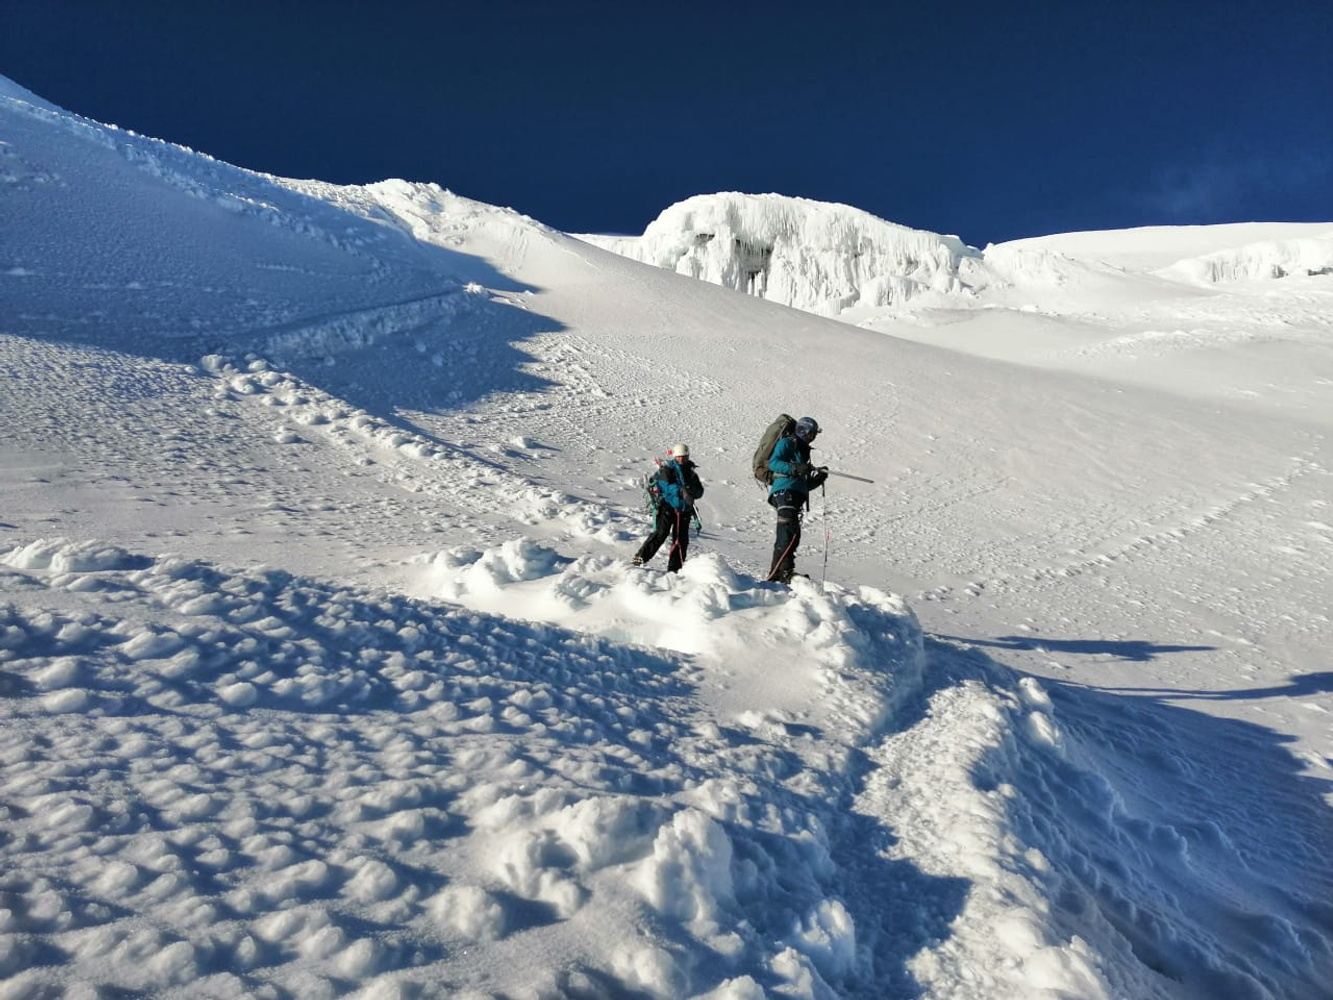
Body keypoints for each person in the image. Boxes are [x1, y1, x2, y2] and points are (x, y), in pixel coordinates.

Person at [766, 416, 828, 583]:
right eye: (812, 433)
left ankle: (781, 572)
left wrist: (817, 479)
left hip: (793, 494)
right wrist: (796, 468)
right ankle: (781, 573)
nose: (813, 437)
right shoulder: (787, 443)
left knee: (792, 533)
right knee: (787, 533)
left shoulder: (802, 450)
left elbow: (802, 484)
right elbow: (773, 463)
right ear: (804, 431)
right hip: (784, 492)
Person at [632, 443, 704, 572]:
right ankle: (640, 557)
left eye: (684, 456)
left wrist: (689, 490)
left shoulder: (691, 473)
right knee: (661, 533)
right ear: (675, 456)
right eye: (679, 457)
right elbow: (665, 485)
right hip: (667, 507)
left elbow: (699, 491)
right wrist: (681, 490)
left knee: (681, 540)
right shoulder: (668, 469)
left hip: (684, 511)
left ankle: (675, 569)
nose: (681, 459)